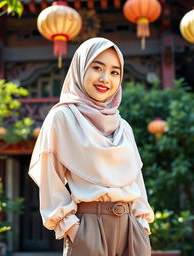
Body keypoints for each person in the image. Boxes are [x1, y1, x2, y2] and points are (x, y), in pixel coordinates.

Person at [28, 37, 154, 256]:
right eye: (97, 67)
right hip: (88, 228)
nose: (106, 78)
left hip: (132, 228)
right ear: (80, 68)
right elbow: (51, 181)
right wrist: (73, 229)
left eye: (115, 72)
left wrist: (142, 226)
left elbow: (137, 181)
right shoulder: (62, 117)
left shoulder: (123, 126)